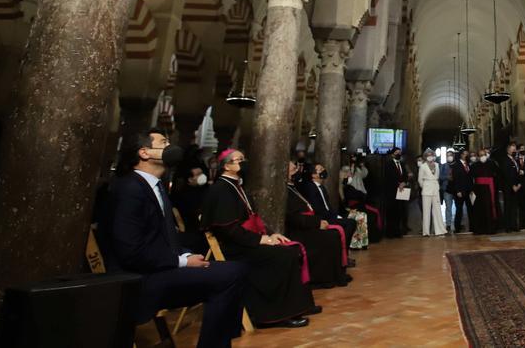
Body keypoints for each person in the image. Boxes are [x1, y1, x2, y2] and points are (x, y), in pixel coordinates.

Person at [100, 129, 247, 348]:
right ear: (144, 153)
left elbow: (165, 238)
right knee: (230, 274)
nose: (170, 146)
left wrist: (185, 254)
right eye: (163, 142)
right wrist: (183, 261)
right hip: (139, 279)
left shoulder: (152, 186)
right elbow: (130, 251)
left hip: (158, 269)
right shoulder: (129, 189)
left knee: (233, 272)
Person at [201, 149, 316, 328]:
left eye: (243, 158)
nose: (243, 163)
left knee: (290, 249)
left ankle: (298, 306)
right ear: (227, 166)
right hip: (234, 247)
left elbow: (254, 218)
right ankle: (276, 315)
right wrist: (259, 240)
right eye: (239, 160)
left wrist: (270, 234)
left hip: (245, 241)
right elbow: (228, 229)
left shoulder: (237, 186)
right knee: (282, 256)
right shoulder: (221, 189)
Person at [283, 161, 351, 287]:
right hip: (298, 230)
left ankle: (336, 274)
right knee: (331, 237)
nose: (297, 172)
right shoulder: (287, 190)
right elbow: (293, 217)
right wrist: (317, 222)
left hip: (309, 223)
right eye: (293, 170)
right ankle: (324, 278)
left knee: (335, 234)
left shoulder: (293, 188)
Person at [340, 163, 383, 243]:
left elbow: (359, 193)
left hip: (358, 204)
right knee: (372, 215)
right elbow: (351, 197)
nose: (350, 173)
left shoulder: (349, 185)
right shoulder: (344, 186)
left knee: (375, 212)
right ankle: (371, 238)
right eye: (349, 171)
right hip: (354, 207)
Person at [417, 150, 446, 236]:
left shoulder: (437, 165)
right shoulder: (423, 166)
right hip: (426, 190)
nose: (430, 156)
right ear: (425, 157)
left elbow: (437, 177)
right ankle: (426, 232)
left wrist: (435, 186)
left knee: (437, 210)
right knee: (426, 211)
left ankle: (439, 230)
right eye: (428, 155)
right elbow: (420, 179)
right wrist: (425, 186)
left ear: (434, 156)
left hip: (435, 189)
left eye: (431, 155)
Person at [470, 148, 499, 235]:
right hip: (479, 190)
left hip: (490, 189)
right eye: (480, 155)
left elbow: (497, 175)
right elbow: (471, 178)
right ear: (478, 157)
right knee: (479, 208)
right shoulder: (474, 165)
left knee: (489, 208)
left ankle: (490, 228)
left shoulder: (492, 163)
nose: (482, 157)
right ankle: (480, 229)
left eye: (484, 155)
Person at [382, 147, 409, 238]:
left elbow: (405, 175)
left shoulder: (402, 163)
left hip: (402, 191)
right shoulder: (388, 164)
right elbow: (388, 177)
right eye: (397, 152)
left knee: (400, 211)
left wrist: (404, 182)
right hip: (392, 191)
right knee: (391, 212)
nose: (399, 154)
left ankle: (398, 231)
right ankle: (390, 232)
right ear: (393, 154)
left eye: (400, 152)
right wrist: (398, 184)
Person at [447, 150, 473, 234]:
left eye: (467, 154)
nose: (466, 156)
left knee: (470, 209)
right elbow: (455, 179)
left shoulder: (468, 164)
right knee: (459, 210)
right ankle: (457, 228)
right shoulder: (456, 165)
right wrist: (458, 190)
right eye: (464, 154)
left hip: (469, 190)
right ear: (461, 155)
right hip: (460, 191)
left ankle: (472, 227)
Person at [499, 142, 521, 232]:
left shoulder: (515, 160)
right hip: (508, 187)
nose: (514, 149)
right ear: (508, 149)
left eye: (515, 148)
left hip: (516, 186)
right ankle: (507, 227)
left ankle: (514, 225)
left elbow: (517, 173)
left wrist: (519, 184)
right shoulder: (505, 160)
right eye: (513, 148)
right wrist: (513, 185)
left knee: (514, 207)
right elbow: (507, 174)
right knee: (508, 207)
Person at [440, 150, 455, 233]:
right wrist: (447, 177)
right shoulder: (443, 166)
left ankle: (457, 223)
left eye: (450, 155)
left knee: (459, 207)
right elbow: (440, 176)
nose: (449, 157)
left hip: (456, 189)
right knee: (448, 207)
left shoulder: (457, 165)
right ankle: (448, 224)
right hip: (446, 188)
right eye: (447, 155)